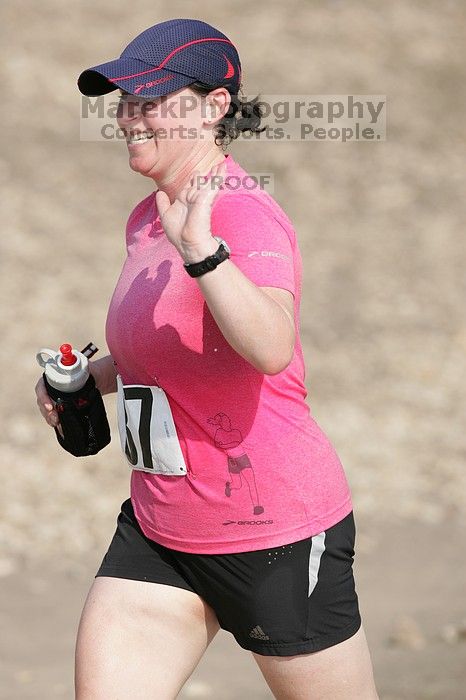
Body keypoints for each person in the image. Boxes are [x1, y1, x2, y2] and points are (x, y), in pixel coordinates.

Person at [35, 18, 379, 699]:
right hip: (161, 530)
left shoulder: (244, 215)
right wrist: (85, 382)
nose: (128, 116)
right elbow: (172, 352)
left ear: (215, 107)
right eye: (123, 100)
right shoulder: (146, 216)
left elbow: (271, 345)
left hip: (272, 533)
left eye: (150, 99)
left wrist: (203, 253)